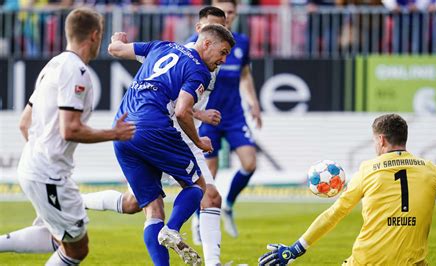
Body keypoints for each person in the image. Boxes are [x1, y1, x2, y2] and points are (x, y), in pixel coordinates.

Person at [81, 6, 229, 265]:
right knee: (198, 188)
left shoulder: (162, 46)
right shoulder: (200, 69)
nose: (223, 60)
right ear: (206, 42)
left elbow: (115, 50)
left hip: (123, 128)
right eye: (222, 52)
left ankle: (78, 202)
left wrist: (116, 40)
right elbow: (183, 111)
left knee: (150, 208)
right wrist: (198, 141)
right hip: (155, 128)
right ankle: (171, 231)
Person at [0, 7, 136, 265]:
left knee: (58, 237)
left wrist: (42, 156)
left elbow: (23, 123)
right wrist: (114, 133)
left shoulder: (54, 63)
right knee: (77, 249)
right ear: (95, 35)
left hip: (33, 165)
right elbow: (70, 129)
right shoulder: (77, 71)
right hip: (48, 173)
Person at [258, 113, 436, 266]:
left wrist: (296, 248)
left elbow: (335, 213)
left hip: (366, 262)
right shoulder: (433, 170)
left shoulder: (368, 169)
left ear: (381, 140)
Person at [197, 0, 262, 239]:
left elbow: (245, 75)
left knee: (250, 163)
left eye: (231, 12)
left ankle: (229, 204)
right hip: (208, 115)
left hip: (234, 114)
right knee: (207, 175)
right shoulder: (201, 44)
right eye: (223, 12)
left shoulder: (241, 43)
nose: (227, 16)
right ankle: (198, 222)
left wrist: (254, 103)